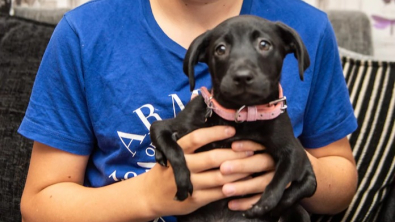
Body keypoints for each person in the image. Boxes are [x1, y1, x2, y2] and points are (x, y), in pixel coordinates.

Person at [18, 0, 359, 221]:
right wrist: (148, 196)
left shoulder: (307, 28)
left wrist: (287, 165)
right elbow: (38, 204)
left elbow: (340, 184)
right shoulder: (84, 33)